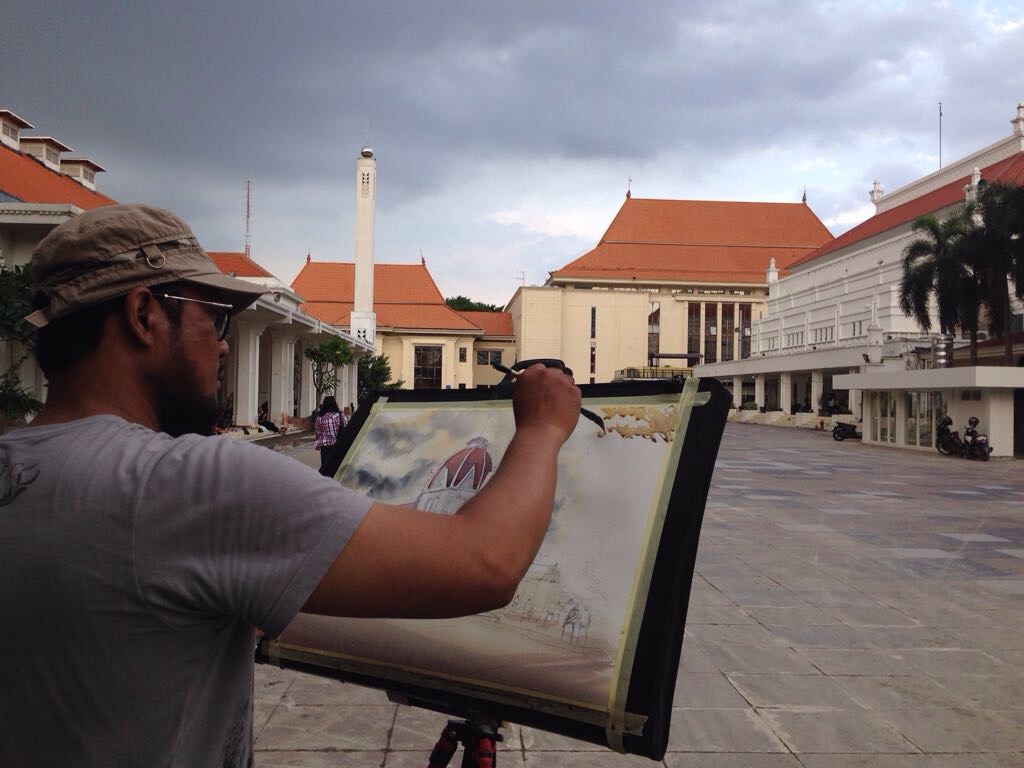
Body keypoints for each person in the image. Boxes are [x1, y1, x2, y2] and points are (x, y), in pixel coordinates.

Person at [0, 204, 581, 767]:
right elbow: (484, 564)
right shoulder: (186, 484)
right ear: (144, 314)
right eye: (215, 316)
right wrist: (542, 427)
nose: (225, 342)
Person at [314, 395, 342, 472]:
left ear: (324, 404)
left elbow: (318, 433)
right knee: (337, 467)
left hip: (326, 447)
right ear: (335, 404)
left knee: (326, 467)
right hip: (339, 446)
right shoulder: (341, 416)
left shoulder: (320, 418)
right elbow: (347, 429)